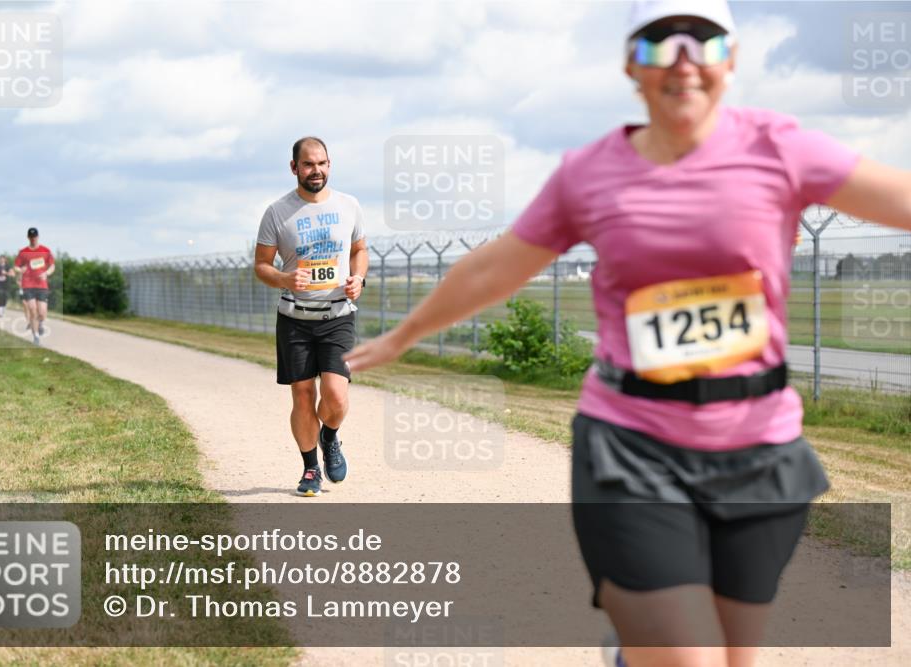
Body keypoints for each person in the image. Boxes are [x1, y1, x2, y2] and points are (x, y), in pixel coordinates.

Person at [343, 1, 911, 665]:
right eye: (656, 42)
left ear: (731, 59)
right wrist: (401, 335)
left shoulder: (781, 148)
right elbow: (495, 267)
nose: (681, 58)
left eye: (703, 39)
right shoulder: (588, 174)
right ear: (627, 65)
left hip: (759, 448)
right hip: (632, 444)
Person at [254, 137, 369, 497]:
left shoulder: (349, 205)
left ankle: (329, 436)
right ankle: (309, 470)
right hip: (294, 317)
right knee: (303, 396)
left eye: (321, 163)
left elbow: (360, 249)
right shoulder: (277, 212)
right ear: (294, 168)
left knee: (335, 396)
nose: (315, 170)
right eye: (308, 164)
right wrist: (285, 278)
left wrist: (359, 279)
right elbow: (261, 265)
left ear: (329, 164)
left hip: (337, 314)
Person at [14, 227, 55, 345]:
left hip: (42, 285)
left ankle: (40, 323)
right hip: (28, 284)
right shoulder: (23, 252)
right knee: (32, 310)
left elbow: (52, 266)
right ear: (28, 237)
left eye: (35, 237)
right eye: (31, 237)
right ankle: (36, 337)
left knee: (42, 313)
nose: (33, 239)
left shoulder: (45, 250)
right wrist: (20, 269)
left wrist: (46, 273)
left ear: (38, 236)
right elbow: (16, 266)